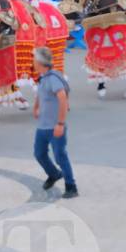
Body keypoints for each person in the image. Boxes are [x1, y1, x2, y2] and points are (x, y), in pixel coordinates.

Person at [31, 45, 77, 198]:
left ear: (39, 62)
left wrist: (60, 124)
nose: (32, 62)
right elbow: (40, 93)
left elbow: (63, 98)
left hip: (54, 126)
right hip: (43, 126)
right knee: (39, 153)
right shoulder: (44, 78)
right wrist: (36, 106)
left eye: (34, 59)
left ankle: (71, 186)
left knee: (60, 156)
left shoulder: (53, 78)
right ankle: (54, 174)